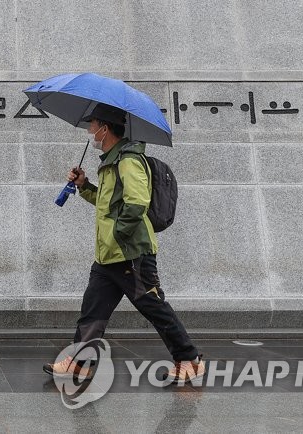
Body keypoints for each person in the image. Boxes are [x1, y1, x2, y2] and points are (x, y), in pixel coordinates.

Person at [44, 103, 205, 383]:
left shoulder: (129, 161)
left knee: (154, 307)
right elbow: (106, 204)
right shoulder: (110, 163)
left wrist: (118, 234)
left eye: (93, 125)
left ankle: (189, 359)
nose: (90, 131)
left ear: (105, 129)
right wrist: (84, 185)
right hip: (108, 256)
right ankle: (79, 363)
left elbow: (137, 203)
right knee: (93, 309)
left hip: (130, 253)